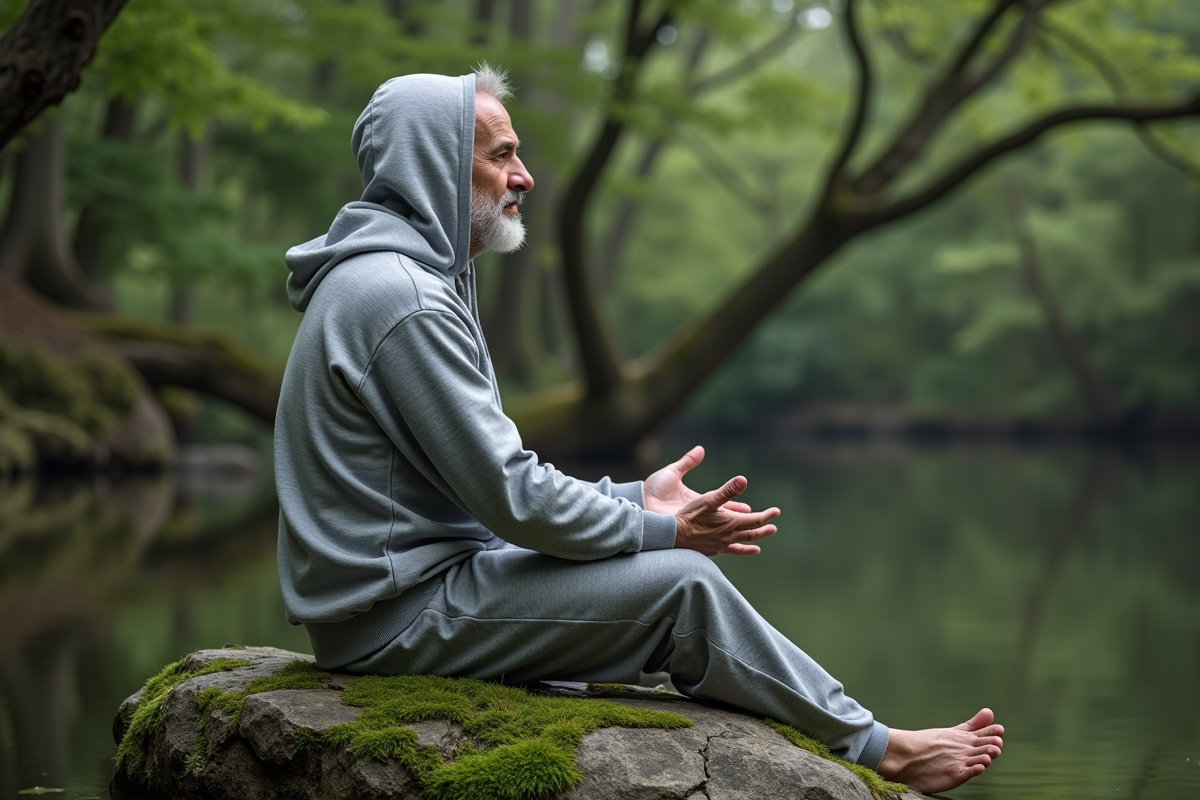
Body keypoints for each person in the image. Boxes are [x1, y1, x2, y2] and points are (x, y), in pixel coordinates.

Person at [275, 66, 1004, 794]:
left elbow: (478, 490)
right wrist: (666, 533)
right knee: (682, 585)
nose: (524, 177)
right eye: (500, 156)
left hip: (406, 595)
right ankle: (883, 751)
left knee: (663, 573)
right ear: (430, 161)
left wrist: (633, 500)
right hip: (396, 621)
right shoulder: (404, 300)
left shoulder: (395, 281)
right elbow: (509, 497)